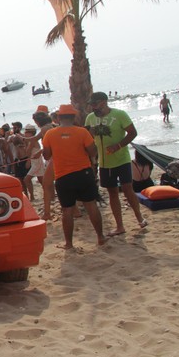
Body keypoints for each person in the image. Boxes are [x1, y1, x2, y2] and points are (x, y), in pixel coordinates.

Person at [42, 104, 105, 249]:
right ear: (73, 117)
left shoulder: (50, 134)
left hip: (63, 176)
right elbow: (92, 152)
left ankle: (69, 243)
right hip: (83, 173)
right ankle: (100, 237)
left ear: (58, 118)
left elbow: (46, 155)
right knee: (91, 205)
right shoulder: (82, 132)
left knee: (67, 210)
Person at [85, 92, 148, 236]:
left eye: (94, 104)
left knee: (127, 189)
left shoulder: (120, 114)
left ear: (103, 102)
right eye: (91, 104)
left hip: (122, 159)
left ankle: (140, 218)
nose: (92, 107)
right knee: (112, 192)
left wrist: (118, 146)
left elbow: (132, 133)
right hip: (105, 162)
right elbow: (87, 136)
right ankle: (120, 226)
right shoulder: (90, 118)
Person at [23, 124, 45, 201]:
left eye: (26, 132)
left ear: (31, 133)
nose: (25, 134)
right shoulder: (30, 141)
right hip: (35, 162)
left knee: (27, 179)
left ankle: (32, 196)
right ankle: (48, 194)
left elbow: (28, 153)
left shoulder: (32, 141)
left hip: (37, 163)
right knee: (41, 180)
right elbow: (27, 153)